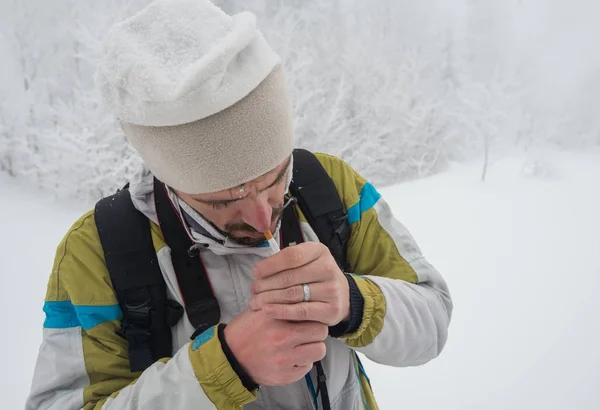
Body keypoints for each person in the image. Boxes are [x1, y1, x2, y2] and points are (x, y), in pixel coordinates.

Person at [25, 1, 453, 409]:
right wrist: (226, 365)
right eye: (222, 199)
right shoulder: (97, 253)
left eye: (273, 179)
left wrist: (352, 301)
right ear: (171, 182)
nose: (263, 217)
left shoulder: (330, 189)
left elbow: (432, 321)